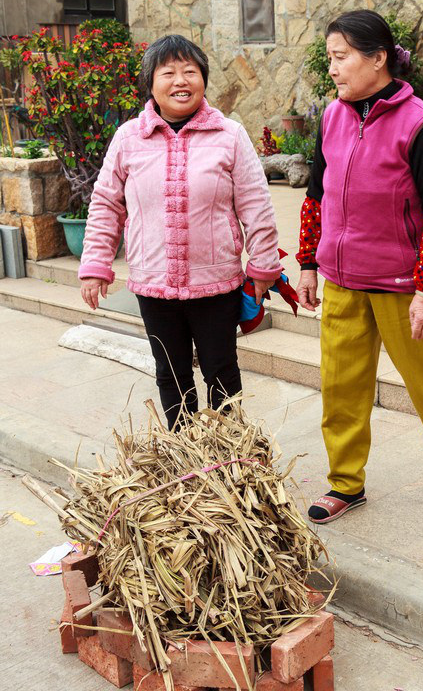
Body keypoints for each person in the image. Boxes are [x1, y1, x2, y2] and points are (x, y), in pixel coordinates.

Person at [296, 10, 423, 521]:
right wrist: (308, 264)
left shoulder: (421, 124)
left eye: (341, 58)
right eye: (331, 58)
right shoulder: (333, 117)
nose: (333, 69)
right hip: (342, 282)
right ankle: (345, 483)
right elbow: (316, 196)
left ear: (378, 58)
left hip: (404, 288)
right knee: (340, 388)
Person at [79, 34, 281, 429]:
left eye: (190, 71)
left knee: (221, 371)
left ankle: (231, 459)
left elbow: (256, 205)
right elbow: (106, 204)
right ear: (150, 83)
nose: (180, 81)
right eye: (168, 72)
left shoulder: (230, 135)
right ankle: (186, 460)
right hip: (153, 284)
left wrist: (264, 265)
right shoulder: (128, 138)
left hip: (216, 282)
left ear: (203, 78)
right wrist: (95, 264)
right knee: (171, 376)